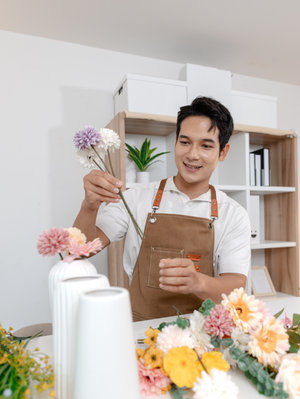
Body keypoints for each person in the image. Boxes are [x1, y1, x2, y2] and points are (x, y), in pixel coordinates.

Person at [74, 96, 251, 321]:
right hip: (140, 329)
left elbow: (235, 286)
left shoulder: (233, 214)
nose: (192, 154)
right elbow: (79, 252)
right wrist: (89, 206)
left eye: (206, 145)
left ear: (223, 152)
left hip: (201, 333)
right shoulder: (136, 198)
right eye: (185, 142)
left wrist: (198, 281)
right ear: (175, 142)